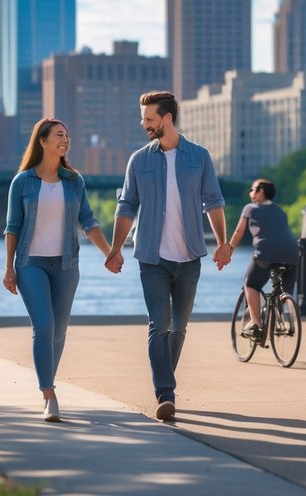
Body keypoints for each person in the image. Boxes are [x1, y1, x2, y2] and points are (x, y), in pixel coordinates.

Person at [106, 90, 229, 422]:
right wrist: (115, 248)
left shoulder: (199, 157)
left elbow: (213, 202)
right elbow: (126, 205)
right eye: (143, 118)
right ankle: (165, 393)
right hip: (152, 257)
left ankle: (165, 382)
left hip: (189, 256)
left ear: (167, 119)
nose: (143, 124)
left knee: (179, 326)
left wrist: (223, 242)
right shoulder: (139, 160)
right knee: (159, 324)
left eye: (148, 119)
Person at [3, 118, 114, 423]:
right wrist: (8, 268)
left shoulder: (74, 181)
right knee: (44, 327)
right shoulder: (22, 182)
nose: (65, 140)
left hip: (66, 265)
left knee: (60, 331)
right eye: (59, 135)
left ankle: (46, 383)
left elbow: (88, 220)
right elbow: (12, 227)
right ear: (42, 141)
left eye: (67, 135)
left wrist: (109, 253)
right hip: (30, 264)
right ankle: (49, 395)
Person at [226, 178, 300, 339]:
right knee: (285, 292)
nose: (250, 193)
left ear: (260, 192)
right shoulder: (280, 210)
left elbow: (239, 232)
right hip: (292, 252)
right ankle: (289, 320)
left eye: (253, 189)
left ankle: (256, 325)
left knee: (250, 284)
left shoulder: (250, 208)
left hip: (266, 251)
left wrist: (230, 249)